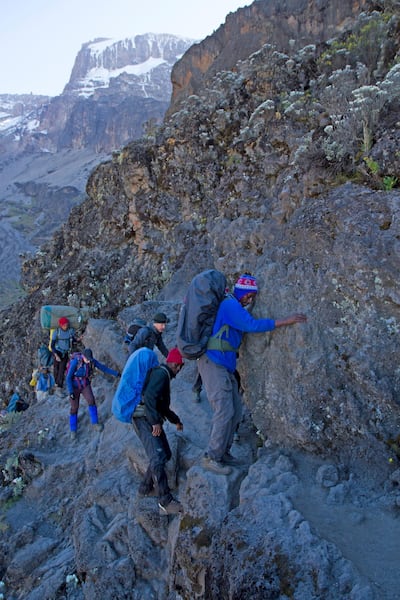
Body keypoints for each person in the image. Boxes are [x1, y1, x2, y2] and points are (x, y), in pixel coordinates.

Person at [198, 273, 307, 475]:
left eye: (252, 298)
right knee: (224, 409)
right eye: (249, 296)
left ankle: (224, 452)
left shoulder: (234, 306)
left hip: (224, 365)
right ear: (242, 293)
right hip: (213, 363)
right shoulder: (230, 305)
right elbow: (251, 325)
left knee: (236, 410)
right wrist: (285, 321)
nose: (250, 300)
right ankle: (211, 457)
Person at [132, 347, 184, 515]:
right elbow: (149, 398)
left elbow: (162, 406)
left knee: (166, 454)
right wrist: (155, 422)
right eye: (180, 366)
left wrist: (176, 420)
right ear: (176, 365)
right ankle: (165, 501)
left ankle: (146, 487)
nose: (179, 370)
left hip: (149, 418)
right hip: (143, 419)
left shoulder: (163, 375)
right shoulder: (162, 375)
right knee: (157, 457)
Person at [66, 348, 120, 440]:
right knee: (74, 408)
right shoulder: (76, 362)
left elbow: (103, 368)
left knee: (91, 400)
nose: (88, 361)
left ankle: (95, 423)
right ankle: (73, 430)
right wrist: (71, 392)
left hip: (84, 384)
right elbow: (68, 378)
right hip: (75, 386)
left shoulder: (90, 361)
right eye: (87, 359)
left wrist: (116, 374)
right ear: (83, 356)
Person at [50, 317, 79, 391]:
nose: (66, 326)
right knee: (56, 368)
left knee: (62, 369)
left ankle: (59, 385)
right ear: (61, 325)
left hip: (65, 352)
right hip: (57, 351)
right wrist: (56, 355)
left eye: (66, 324)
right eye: (64, 325)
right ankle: (56, 383)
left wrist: (78, 339)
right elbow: (52, 345)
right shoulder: (57, 332)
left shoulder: (70, 331)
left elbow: (73, 340)